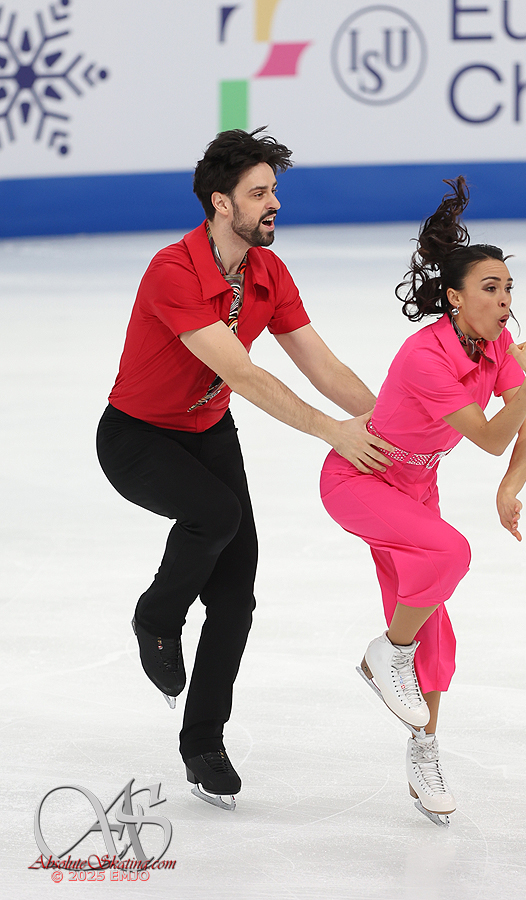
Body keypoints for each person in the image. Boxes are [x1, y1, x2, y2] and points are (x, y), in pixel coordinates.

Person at [96, 127, 394, 810]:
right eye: (259, 193)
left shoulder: (267, 273)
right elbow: (244, 375)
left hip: (207, 432)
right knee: (217, 514)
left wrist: (389, 425)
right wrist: (332, 434)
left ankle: (203, 742)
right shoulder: (173, 271)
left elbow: (322, 366)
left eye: (274, 191)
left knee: (235, 596)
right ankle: (156, 616)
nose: (274, 203)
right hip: (137, 439)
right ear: (221, 203)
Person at [320, 177, 526, 827]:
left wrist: (509, 489)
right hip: (361, 477)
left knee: (436, 626)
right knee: (449, 553)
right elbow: (491, 437)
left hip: (418, 485)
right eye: (490, 288)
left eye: (508, 289)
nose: (504, 301)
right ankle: (386, 652)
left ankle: (424, 749)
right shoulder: (426, 356)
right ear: (454, 298)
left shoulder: (495, 347)